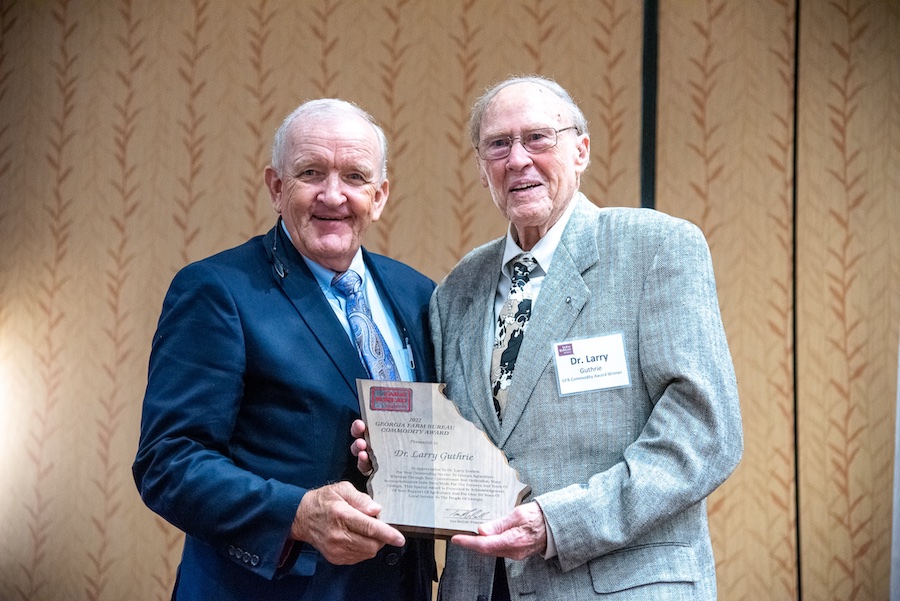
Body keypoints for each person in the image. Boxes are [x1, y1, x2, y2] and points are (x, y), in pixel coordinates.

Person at [354, 76, 742, 600]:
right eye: (498, 144)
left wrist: (558, 521)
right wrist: (392, 454)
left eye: (538, 138)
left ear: (580, 151)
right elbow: (461, 445)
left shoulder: (655, 249)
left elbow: (704, 432)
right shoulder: (457, 290)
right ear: (482, 167)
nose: (517, 159)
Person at [133, 98, 435, 601]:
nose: (333, 195)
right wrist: (296, 515)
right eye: (311, 172)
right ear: (277, 187)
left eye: (355, 177)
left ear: (379, 196)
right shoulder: (217, 290)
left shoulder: (418, 294)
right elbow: (168, 461)